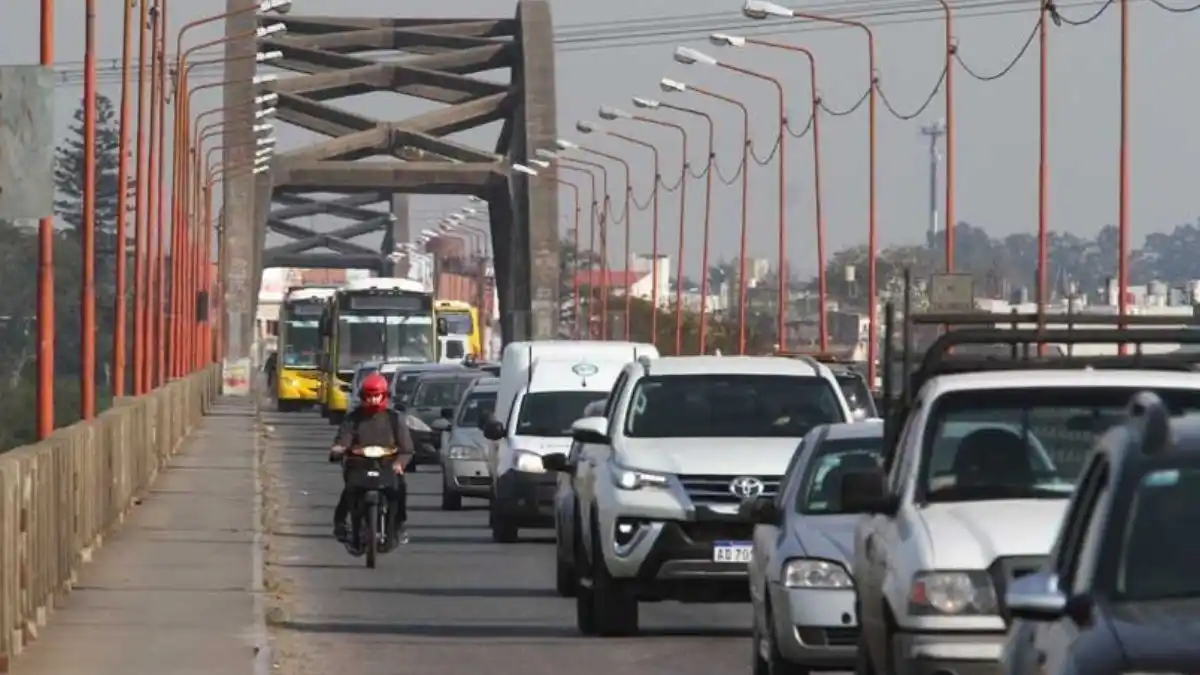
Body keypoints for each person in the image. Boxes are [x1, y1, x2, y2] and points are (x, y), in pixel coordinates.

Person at [330, 372, 414, 550]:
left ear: (384, 396)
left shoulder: (394, 418)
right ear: (362, 397)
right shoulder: (353, 419)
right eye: (369, 396)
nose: (373, 400)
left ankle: (398, 526)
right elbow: (343, 440)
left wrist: (400, 463)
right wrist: (339, 449)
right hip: (359, 465)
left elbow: (406, 448)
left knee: (400, 489)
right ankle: (341, 523)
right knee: (350, 489)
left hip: (387, 465)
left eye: (377, 396)